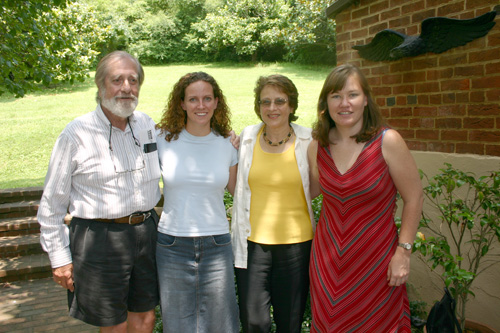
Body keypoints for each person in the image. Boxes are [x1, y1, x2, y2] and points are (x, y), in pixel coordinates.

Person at [37, 51, 161, 332]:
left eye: (133, 79)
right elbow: (52, 205)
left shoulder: (147, 125)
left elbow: (184, 143)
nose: (126, 87)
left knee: (145, 318)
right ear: (100, 85)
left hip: (146, 233)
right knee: (113, 325)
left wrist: (226, 139)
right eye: (117, 79)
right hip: (99, 238)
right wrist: (59, 259)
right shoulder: (75, 134)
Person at [307, 64, 423, 332]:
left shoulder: (388, 141)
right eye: (335, 96)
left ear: (366, 99)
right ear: (326, 102)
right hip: (327, 259)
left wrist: (403, 253)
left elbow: (414, 198)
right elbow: (310, 191)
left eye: (353, 95)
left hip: (376, 262)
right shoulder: (316, 146)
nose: (344, 103)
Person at [155, 71, 239, 332]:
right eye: (193, 99)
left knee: (221, 323)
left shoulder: (229, 144)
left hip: (217, 243)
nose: (200, 106)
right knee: (178, 324)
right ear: (181, 103)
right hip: (172, 245)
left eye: (207, 98)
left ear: (216, 102)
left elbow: (239, 191)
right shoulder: (162, 140)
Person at [232, 74, 315, 332]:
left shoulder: (309, 141)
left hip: (296, 246)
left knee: (290, 321)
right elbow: (236, 186)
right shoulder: (247, 138)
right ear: (258, 107)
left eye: (280, 101)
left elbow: (318, 187)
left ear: (292, 106)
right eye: (265, 102)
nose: (272, 108)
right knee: (254, 322)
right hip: (253, 245)